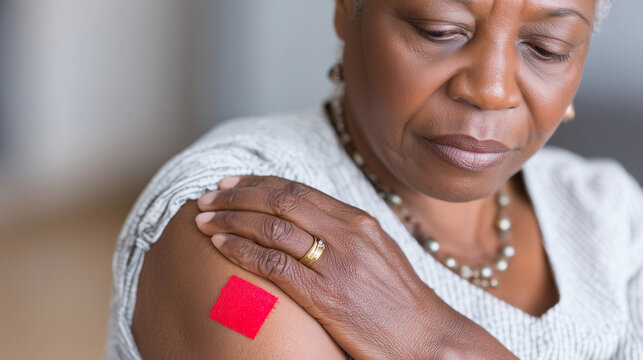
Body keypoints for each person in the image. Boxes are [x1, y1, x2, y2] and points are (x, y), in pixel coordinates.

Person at [105, 0, 642, 358]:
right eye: (439, 30)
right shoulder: (243, 222)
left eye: (547, 48)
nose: (491, 89)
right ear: (347, 8)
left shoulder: (608, 213)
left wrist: (435, 342)